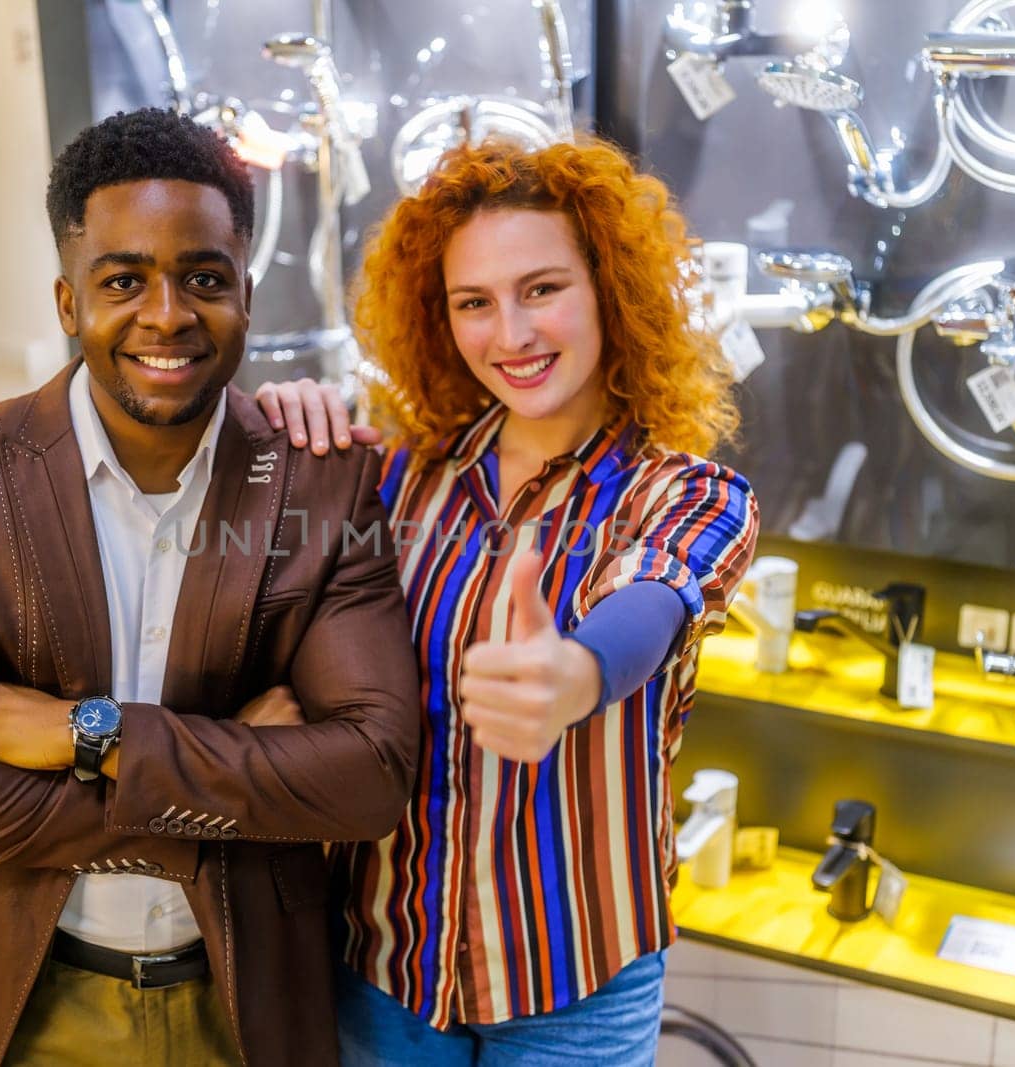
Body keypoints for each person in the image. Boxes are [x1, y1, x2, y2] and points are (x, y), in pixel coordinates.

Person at [0, 108, 420, 1067]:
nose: (167, 315)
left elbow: (370, 778)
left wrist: (87, 735)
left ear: (246, 294)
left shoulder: (323, 486)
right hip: (10, 1003)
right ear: (70, 303)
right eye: (124, 281)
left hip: (239, 999)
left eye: (203, 278)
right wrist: (233, 781)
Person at [255, 137, 759, 1065]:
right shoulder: (399, 483)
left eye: (542, 289)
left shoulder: (686, 493)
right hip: (382, 971)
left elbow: (654, 595)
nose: (512, 335)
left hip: (575, 988)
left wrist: (574, 673)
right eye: (473, 303)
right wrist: (277, 426)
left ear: (609, 287)